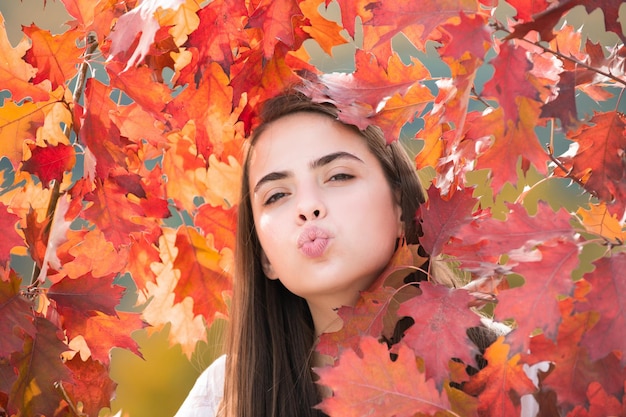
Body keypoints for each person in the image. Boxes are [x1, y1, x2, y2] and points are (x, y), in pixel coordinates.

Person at [174, 87, 464, 417]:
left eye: (338, 176)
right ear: (264, 256)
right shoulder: (222, 398)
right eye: (276, 195)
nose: (308, 206)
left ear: (400, 207)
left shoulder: (507, 370)